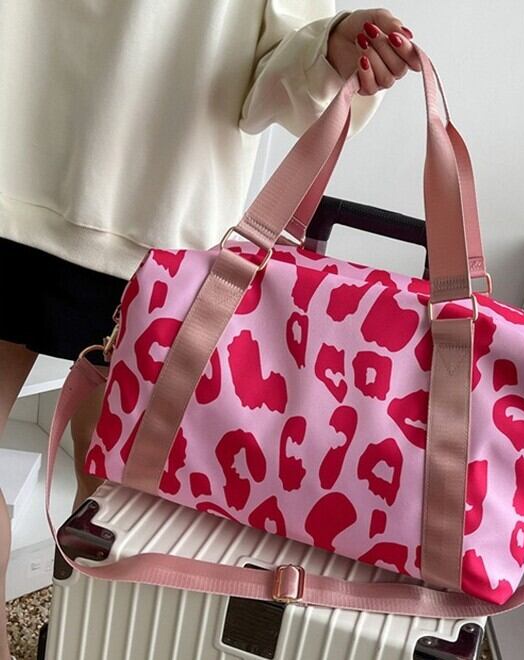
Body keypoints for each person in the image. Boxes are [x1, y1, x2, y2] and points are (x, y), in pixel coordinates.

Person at [0, 3, 419, 657]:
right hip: (132, 208)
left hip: (151, 221)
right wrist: (324, 54)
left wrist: (333, 50)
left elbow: (277, 77)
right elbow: (277, 80)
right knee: (116, 502)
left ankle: (80, 640)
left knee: (115, 506)